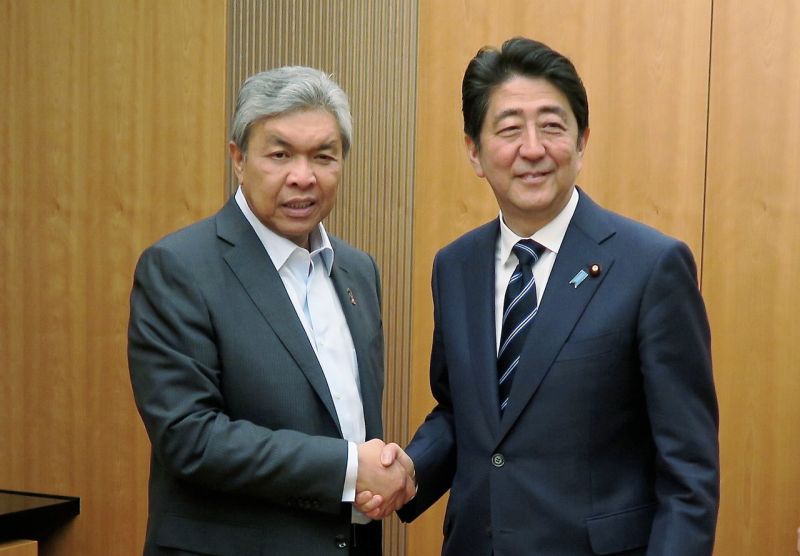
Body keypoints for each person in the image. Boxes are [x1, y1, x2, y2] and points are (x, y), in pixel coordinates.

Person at [361, 37, 720, 555]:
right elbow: (465, 411)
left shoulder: (651, 265)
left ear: (581, 142)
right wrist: (412, 468)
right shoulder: (455, 265)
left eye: (552, 126)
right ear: (475, 152)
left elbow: (689, 471)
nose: (533, 148)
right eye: (508, 130)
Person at [128, 66, 413, 556]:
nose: (302, 177)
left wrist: (384, 471)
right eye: (279, 154)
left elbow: (349, 421)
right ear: (239, 159)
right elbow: (189, 437)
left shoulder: (358, 271)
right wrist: (349, 468)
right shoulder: (179, 268)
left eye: (323, 156)